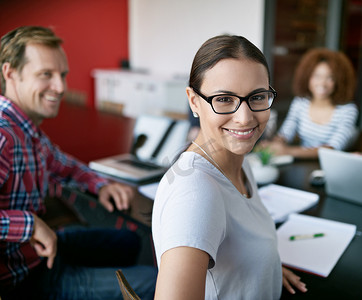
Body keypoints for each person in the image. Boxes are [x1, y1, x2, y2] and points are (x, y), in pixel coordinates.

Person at [0, 26, 157, 299]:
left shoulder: (26, 129)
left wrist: (100, 185)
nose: (60, 87)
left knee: (130, 242)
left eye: (62, 75)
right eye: (45, 75)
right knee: (157, 282)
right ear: (10, 73)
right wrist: (31, 224)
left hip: (39, 252)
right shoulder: (3, 135)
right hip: (25, 279)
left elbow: (66, 166)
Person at [152, 35, 307, 299]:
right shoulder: (195, 194)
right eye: (224, 99)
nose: (245, 118)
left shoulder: (236, 161)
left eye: (257, 96)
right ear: (194, 101)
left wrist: (264, 267)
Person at [262, 48, 358, 159]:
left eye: (330, 78)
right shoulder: (300, 102)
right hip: (302, 165)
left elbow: (332, 149)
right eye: (317, 76)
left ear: (339, 81)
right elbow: (286, 133)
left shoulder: (348, 110)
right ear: (307, 77)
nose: (322, 83)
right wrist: (274, 144)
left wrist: (288, 151)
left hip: (331, 167)